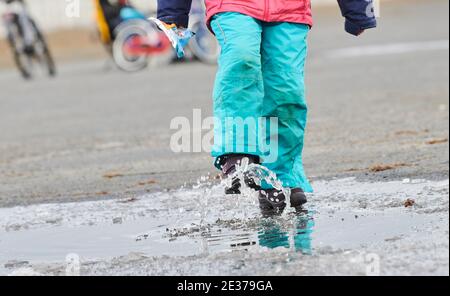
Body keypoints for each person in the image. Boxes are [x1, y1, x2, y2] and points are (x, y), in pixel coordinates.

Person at [157, 0, 377, 214]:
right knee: (240, 59)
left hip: (290, 8)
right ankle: (237, 155)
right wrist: (172, 13)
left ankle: (281, 177)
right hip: (233, 5)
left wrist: (357, 9)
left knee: (286, 89)